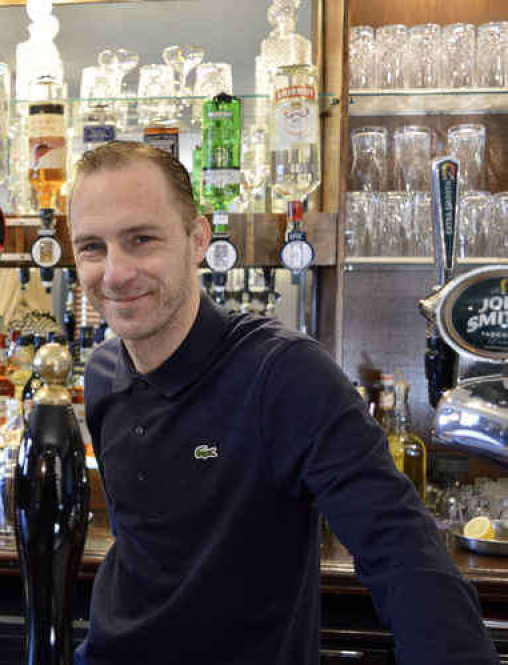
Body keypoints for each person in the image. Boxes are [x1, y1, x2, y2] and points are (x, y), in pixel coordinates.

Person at [66, 141, 497, 665]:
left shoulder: (285, 375)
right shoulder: (104, 374)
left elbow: (404, 555)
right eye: (92, 247)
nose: (115, 273)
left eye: (141, 239)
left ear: (197, 239)